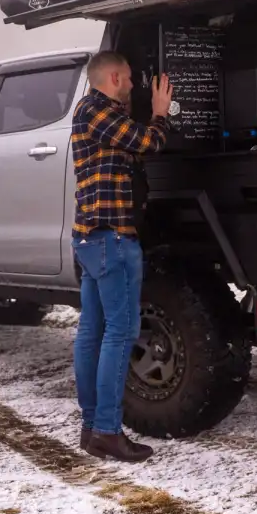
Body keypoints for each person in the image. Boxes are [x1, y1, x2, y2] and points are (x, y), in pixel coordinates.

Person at [71, 50, 172, 462]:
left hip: (93, 241)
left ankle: (92, 427)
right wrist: (161, 112)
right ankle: (108, 432)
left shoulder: (91, 112)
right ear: (113, 78)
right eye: (129, 79)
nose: (134, 85)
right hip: (111, 240)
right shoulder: (97, 111)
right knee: (120, 332)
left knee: (93, 334)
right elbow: (148, 141)